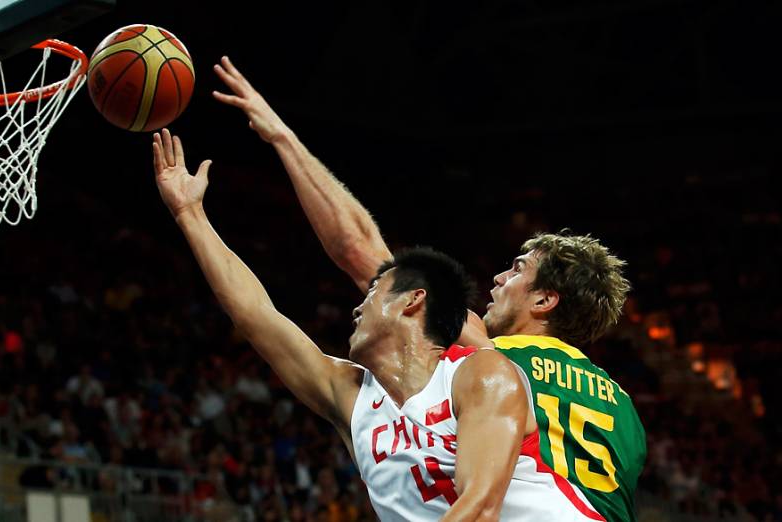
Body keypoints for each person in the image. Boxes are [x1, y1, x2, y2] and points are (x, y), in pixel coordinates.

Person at [213, 55, 646, 521]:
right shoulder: (626, 410)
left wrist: (282, 138)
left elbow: (361, 252)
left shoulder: (492, 357)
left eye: (518, 270)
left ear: (545, 300)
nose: (499, 279)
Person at [151, 129, 604, 521]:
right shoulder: (350, 398)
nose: (355, 308)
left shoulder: (482, 375)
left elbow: (480, 510)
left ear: (413, 301)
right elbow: (255, 316)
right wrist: (190, 215)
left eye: (371, 293)